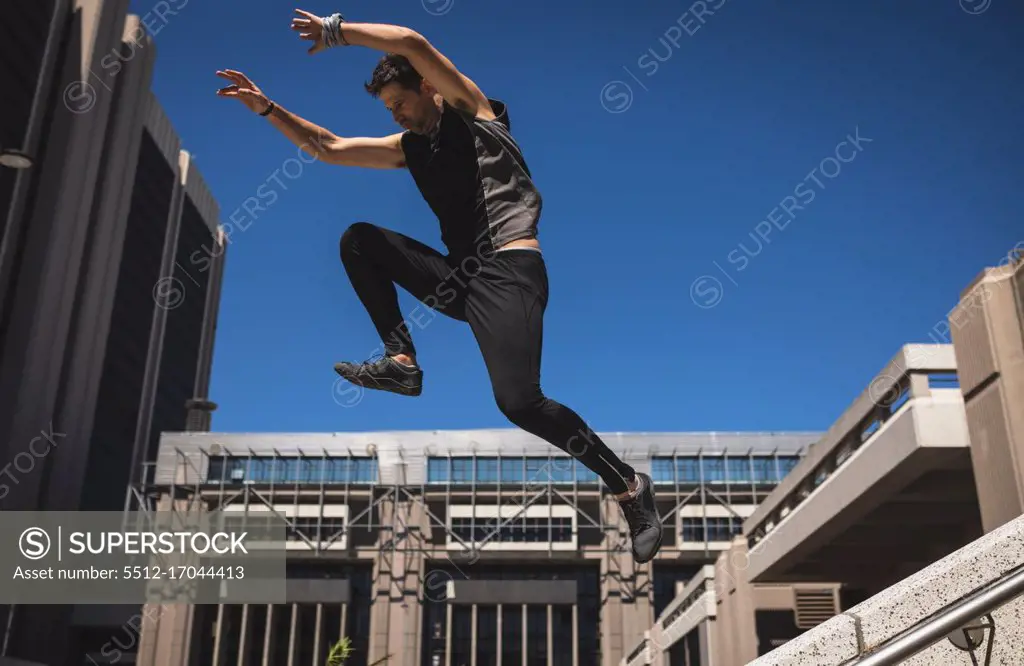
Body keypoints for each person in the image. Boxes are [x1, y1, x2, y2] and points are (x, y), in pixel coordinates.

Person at [214, 9, 663, 563]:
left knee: (519, 402)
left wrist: (336, 32)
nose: (397, 114)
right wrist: (265, 106)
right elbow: (327, 147)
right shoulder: (409, 147)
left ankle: (627, 486)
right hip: (459, 280)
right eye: (388, 110)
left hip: (508, 273)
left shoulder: (476, 114)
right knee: (359, 239)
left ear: (427, 88)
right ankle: (401, 359)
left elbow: (411, 40)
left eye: (400, 102)